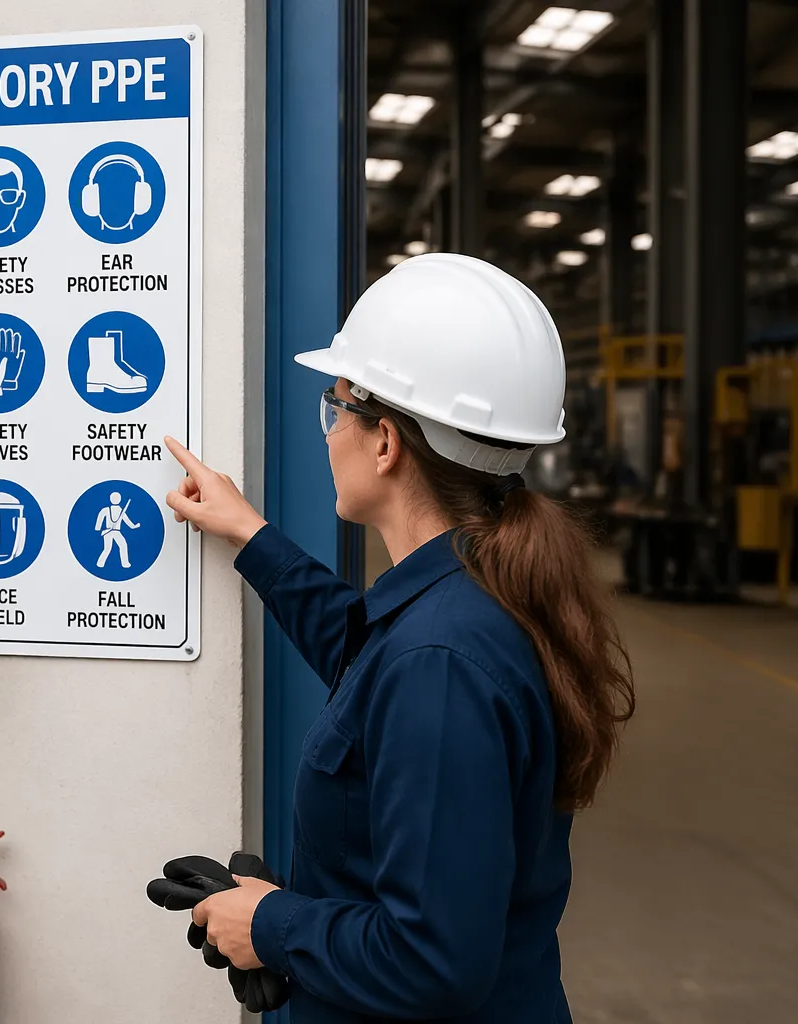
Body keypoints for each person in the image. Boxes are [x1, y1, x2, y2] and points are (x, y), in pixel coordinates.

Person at [163, 252, 635, 1022]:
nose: (328, 433)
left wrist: (271, 925)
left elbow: (434, 961)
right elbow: (367, 655)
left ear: (384, 442)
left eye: (335, 407)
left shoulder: (442, 663)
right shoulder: (471, 598)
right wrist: (249, 532)